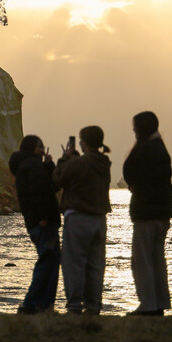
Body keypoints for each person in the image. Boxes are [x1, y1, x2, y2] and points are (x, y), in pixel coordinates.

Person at [53, 126, 112, 315]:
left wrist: (64, 158)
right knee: (95, 265)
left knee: (74, 264)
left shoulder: (78, 163)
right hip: (99, 219)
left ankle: (74, 305)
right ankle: (94, 305)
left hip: (77, 217)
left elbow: (58, 179)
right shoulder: (104, 163)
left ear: (84, 142)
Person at [122, 111, 172, 316]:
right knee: (156, 258)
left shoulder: (147, 149)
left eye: (135, 126)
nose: (133, 130)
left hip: (147, 211)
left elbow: (132, 172)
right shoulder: (159, 148)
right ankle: (159, 301)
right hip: (160, 212)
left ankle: (149, 303)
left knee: (142, 259)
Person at [9, 135, 61, 314]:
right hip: (43, 222)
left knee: (49, 261)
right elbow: (41, 192)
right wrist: (45, 217)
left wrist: (48, 166)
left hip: (35, 222)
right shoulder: (31, 165)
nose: (42, 150)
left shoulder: (28, 165)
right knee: (48, 261)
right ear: (32, 148)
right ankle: (32, 304)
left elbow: (48, 187)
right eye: (40, 147)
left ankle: (44, 305)